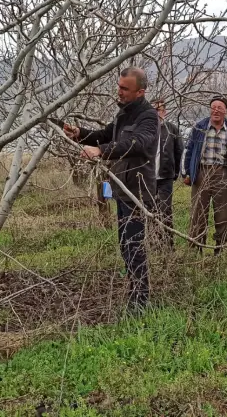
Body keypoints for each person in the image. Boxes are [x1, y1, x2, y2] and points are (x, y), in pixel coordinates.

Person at [63, 67, 159, 309]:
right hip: (121, 188)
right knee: (124, 245)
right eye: (119, 86)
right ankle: (133, 290)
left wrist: (101, 151)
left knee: (134, 245)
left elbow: (137, 142)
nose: (120, 92)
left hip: (137, 191)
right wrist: (80, 134)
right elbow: (105, 135)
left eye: (125, 88)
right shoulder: (122, 115)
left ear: (140, 92)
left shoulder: (148, 116)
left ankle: (140, 300)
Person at [182, 95, 227, 255]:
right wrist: (186, 173)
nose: (216, 110)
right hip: (201, 173)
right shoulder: (199, 127)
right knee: (198, 213)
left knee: (224, 214)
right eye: (213, 107)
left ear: (226, 111)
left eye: (220, 108)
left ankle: (219, 248)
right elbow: (187, 151)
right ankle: (196, 248)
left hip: (224, 174)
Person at [153, 99, 183, 249]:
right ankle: (153, 243)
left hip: (166, 177)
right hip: (148, 178)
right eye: (153, 110)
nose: (157, 113)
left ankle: (168, 245)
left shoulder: (172, 129)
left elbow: (179, 151)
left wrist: (176, 172)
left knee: (165, 211)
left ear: (164, 112)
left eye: (159, 110)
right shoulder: (145, 129)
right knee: (150, 211)